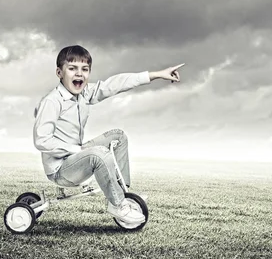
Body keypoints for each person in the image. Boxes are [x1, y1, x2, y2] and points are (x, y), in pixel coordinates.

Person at [33, 45, 184, 225]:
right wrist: (76, 149)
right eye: (72, 68)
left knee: (118, 137)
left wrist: (156, 74)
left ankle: (122, 194)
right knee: (99, 153)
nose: (79, 74)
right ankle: (118, 204)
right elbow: (42, 140)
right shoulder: (52, 102)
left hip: (76, 156)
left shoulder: (84, 93)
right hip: (60, 169)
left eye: (85, 69)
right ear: (59, 72)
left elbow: (115, 84)